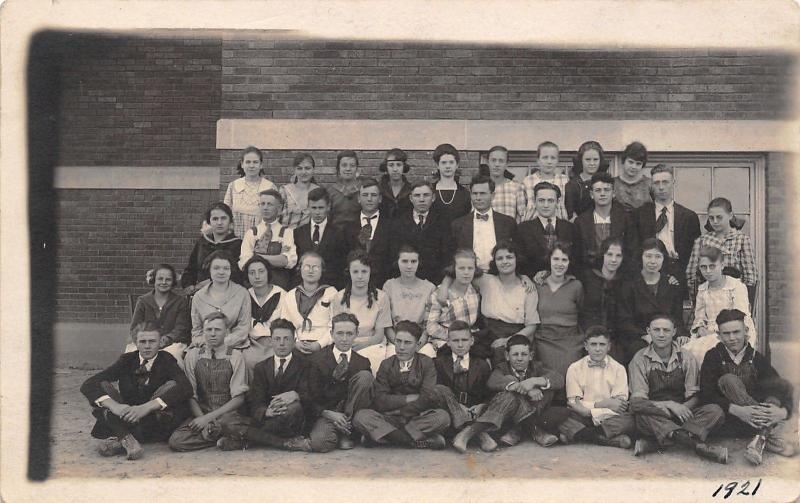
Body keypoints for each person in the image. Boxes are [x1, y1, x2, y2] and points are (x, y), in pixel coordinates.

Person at [81, 321, 192, 460]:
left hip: (156, 420)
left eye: (152, 341)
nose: (147, 346)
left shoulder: (167, 359)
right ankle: (127, 438)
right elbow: (89, 384)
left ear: (160, 342)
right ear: (136, 342)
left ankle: (121, 436)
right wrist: (115, 406)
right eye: (142, 341)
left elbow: (186, 388)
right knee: (102, 387)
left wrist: (146, 408)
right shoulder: (127, 360)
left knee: (172, 385)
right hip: (128, 414)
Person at [698, 309, 795, 465]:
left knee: (774, 395)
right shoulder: (713, 357)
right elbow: (706, 394)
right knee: (728, 380)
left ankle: (759, 440)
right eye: (726, 334)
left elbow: (782, 387)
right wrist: (738, 410)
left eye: (736, 332)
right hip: (730, 419)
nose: (732, 338)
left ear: (746, 331)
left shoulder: (756, 357)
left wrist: (783, 412)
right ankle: (764, 435)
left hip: (752, 421)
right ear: (719, 336)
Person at [628, 313, 728, 463]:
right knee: (641, 415)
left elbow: (695, 396)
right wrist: (669, 406)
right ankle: (697, 445)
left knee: (715, 411)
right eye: (656, 330)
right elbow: (637, 401)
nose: (661, 335)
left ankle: (658, 442)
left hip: (684, 412)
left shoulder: (687, 357)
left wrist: (682, 410)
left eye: (666, 330)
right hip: (656, 412)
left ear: (674, 332)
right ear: (648, 331)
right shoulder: (639, 359)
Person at [453, 334, 567, 450]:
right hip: (506, 414)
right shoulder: (502, 368)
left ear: (531, 356)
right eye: (515, 354)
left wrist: (534, 381)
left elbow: (558, 378)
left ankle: (517, 430)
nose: (519, 358)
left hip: (533, 411)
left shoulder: (537, 367)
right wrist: (523, 388)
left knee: (546, 390)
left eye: (524, 354)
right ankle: (534, 431)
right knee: (509, 395)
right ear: (507, 356)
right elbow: (493, 381)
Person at [217, 318, 313, 452]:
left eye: (286, 339)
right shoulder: (261, 367)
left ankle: (245, 439)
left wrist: (297, 395)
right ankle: (283, 443)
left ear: (294, 342)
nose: (281, 344)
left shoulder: (305, 365)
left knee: (292, 408)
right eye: (277, 339)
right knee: (226, 420)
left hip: (288, 419)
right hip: (266, 418)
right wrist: (265, 412)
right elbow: (255, 399)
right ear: (271, 341)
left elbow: (311, 397)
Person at [353, 321, 451, 449]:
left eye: (407, 343)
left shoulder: (426, 363)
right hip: (389, 417)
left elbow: (427, 397)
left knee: (442, 417)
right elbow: (380, 400)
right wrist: (408, 398)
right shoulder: (386, 364)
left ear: (417, 345)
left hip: (417, 417)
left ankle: (385, 438)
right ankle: (416, 441)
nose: (401, 347)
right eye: (398, 341)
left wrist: (403, 410)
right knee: (361, 417)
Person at [439, 241, 539, 364]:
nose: (505, 261)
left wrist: (507, 340)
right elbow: (459, 272)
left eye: (509, 257)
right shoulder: (485, 280)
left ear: (517, 259)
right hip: (487, 333)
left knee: (500, 357)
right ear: (494, 262)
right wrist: (444, 286)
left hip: (515, 335)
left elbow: (532, 326)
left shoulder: (527, 288)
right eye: (499, 258)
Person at [168, 312, 250, 451]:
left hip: (227, 414)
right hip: (202, 411)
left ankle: (224, 434)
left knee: (228, 425)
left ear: (226, 332)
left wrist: (209, 418)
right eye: (209, 329)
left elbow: (239, 398)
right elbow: (190, 394)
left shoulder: (235, 356)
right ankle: (225, 440)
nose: (213, 334)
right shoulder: (193, 355)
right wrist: (202, 420)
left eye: (217, 330)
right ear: (203, 332)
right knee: (176, 441)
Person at [305, 313, 375, 452]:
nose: (344, 339)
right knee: (319, 444)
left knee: (365, 377)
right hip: (328, 413)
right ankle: (340, 433)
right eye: (340, 333)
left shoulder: (362, 362)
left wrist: (348, 417)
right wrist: (327, 413)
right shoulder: (316, 360)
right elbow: (308, 396)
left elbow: (366, 397)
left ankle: (346, 431)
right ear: (331, 333)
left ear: (356, 334)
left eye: (349, 334)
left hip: (352, 414)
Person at [558, 326, 634, 449]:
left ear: (609, 346)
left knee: (630, 420)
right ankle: (605, 439)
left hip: (609, 417)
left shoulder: (618, 369)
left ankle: (580, 434)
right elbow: (573, 403)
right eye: (593, 344)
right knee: (560, 417)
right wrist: (604, 404)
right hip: (582, 416)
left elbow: (619, 405)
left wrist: (592, 411)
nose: (598, 349)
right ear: (586, 346)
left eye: (602, 344)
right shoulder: (575, 368)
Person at [617, 238, 688, 367]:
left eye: (658, 257)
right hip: (639, 337)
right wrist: (645, 335)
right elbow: (624, 321)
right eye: (648, 256)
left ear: (663, 259)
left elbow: (676, 317)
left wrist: (681, 334)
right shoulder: (629, 285)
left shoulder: (671, 284)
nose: (653, 261)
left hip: (666, 335)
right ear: (641, 257)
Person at [427, 321, 494, 452]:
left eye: (464, 340)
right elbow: (436, 393)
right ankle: (479, 434)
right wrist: (457, 407)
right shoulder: (439, 363)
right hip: (450, 412)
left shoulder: (482, 364)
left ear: (472, 341)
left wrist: (481, 406)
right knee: (440, 389)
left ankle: (466, 431)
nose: (460, 344)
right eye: (455, 340)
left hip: (473, 411)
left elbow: (489, 393)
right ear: (448, 342)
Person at [683, 246, 757, 365]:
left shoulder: (735, 286)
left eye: (712, 266)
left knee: (709, 352)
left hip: (733, 331)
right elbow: (699, 317)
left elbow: (740, 315)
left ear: (722, 265)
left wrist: (718, 332)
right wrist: (700, 328)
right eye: (703, 267)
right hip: (709, 332)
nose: (708, 271)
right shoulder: (703, 289)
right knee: (686, 352)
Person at [633, 163, 701, 292]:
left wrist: (679, 276)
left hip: (678, 276)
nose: (661, 187)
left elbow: (694, 252)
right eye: (657, 183)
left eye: (665, 182)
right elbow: (634, 249)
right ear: (651, 185)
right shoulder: (639, 215)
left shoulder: (689, 217)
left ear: (673, 183)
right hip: (647, 274)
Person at [330, 250, 395, 373]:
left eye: (364, 271)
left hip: (373, 345)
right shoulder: (339, 298)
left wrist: (363, 345)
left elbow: (379, 335)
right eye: (355, 271)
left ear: (370, 272)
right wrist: (349, 345)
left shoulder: (381, 297)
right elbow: (338, 331)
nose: (360, 276)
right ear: (349, 272)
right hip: (346, 344)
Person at [533, 242, 584, 394]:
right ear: (549, 260)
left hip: (569, 338)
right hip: (544, 338)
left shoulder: (576, 285)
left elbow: (582, 311)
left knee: (569, 370)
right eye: (556, 259)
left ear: (569, 263)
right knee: (545, 369)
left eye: (564, 260)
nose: (559, 264)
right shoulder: (537, 283)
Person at [685, 197, 757, 303]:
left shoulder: (741, 240)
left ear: (730, 215)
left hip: (734, 297)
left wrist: (744, 301)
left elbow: (750, 277)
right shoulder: (702, 241)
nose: (715, 221)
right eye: (711, 218)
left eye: (719, 217)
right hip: (708, 298)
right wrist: (696, 300)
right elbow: (691, 274)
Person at [389, 181, 453, 284]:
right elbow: (394, 254)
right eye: (417, 195)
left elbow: (447, 256)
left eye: (426, 195)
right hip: (405, 280)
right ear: (411, 198)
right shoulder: (399, 222)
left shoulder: (443, 222)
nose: (422, 199)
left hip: (434, 280)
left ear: (433, 198)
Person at [451, 174, 517, 272]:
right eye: (475, 193)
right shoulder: (458, 225)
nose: (478, 198)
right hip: (470, 277)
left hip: (500, 276)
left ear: (493, 195)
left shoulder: (508, 223)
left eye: (483, 193)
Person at [574, 172, 638, 273]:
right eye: (598, 190)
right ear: (591, 194)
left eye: (606, 190)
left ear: (613, 193)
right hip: (590, 275)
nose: (602, 194)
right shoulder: (581, 222)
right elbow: (578, 255)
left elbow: (632, 251)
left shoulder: (625, 219)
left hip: (619, 275)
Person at [189, 251, 251, 352]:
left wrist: (222, 344)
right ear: (209, 270)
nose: (221, 272)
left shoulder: (242, 293)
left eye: (226, 268)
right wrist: (208, 344)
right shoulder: (198, 297)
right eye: (216, 268)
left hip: (235, 346)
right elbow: (197, 331)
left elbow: (243, 329)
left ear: (231, 271)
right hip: (204, 346)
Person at [127, 263, 190, 363]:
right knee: (131, 356)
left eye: (168, 279)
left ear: (173, 281)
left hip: (172, 343)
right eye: (160, 279)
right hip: (146, 342)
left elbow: (181, 328)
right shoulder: (143, 301)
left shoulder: (180, 302)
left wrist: (165, 339)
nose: (164, 282)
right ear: (154, 280)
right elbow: (135, 327)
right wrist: (146, 341)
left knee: (172, 356)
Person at [517, 181, 581, 277]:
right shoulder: (523, 229)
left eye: (550, 201)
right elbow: (520, 262)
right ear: (534, 201)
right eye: (541, 200)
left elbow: (577, 259)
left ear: (558, 202)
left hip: (563, 282)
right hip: (533, 283)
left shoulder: (570, 228)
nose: (546, 205)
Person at [382, 245, 437, 357]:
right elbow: (386, 324)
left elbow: (430, 324)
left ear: (418, 263)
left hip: (420, 340)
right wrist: (399, 344)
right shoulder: (389, 286)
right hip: (396, 340)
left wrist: (417, 345)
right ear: (397, 262)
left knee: (428, 355)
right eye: (404, 261)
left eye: (413, 261)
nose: (409, 266)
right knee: (391, 357)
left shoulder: (429, 288)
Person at [425, 249, 482, 355]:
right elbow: (430, 326)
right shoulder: (440, 294)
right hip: (445, 341)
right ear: (453, 270)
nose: (466, 272)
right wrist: (455, 336)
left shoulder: (475, 290)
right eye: (461, 268)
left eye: (470, 268)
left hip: (469, 340)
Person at [238, 189, 298, 290]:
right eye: (262, 204)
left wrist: (257, 257)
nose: (265, 208)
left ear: (279, 208)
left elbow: (287, 261)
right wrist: (275, 259)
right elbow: (244, 262)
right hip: (254, 286)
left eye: (269, 204)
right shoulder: (252, 233)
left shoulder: (286, 232)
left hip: (278, 284)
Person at [280, 252, 338, 355]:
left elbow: (335, 325)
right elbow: (286, 325)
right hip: (297, 345)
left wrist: (320, 344)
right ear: (300, 269)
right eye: (307, 266)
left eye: (315, 267)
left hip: (324, 345)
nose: (311, 270)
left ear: (322, 271)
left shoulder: (331, 293)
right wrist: (295, 342)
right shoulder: (290, 295)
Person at [578, 237, 625, 361]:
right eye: (609, 254)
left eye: (618, 256)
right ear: (603, 255)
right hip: (589, 336)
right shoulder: (588, 278)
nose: (613, 260)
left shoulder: (624, 282)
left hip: (615, 339)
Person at [181, 202, 244, 292]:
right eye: (215, 219)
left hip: (229, 293)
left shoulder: (238, 245)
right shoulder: (202, 242)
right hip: (202, 293)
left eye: (223, 218)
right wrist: (189, 285)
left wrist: (210, 282)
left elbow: (238, 275)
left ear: (230, 221)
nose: (219, 223)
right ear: (209, 221)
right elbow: (191, 268)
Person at [342, 177, 393, 287]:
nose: (369, 199)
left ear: (380, 198)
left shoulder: (391, 226)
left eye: (373, 195)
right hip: (355, 284)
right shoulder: (348, 226)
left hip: (382, 283)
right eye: (365, 195)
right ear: (359, 198)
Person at [293, 187, 347, 289]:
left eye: (321, 208)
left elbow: (341, 264)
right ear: (308, 207)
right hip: (304, 286)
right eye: (314, 208)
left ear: (328, 207)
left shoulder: (339, 233)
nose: (317, 212)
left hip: (330, 286)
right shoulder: (298, 232)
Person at [241, 255, 286, 374]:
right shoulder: (244, 296)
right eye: (252, 272)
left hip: (275, 342)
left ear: (268, 273)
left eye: (261, 271)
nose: (257, 276)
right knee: (246, 360)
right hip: (251, 343)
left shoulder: (281, 294)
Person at [223, 146, 277, 238]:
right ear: (242, 164)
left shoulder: (270, 187)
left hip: (262, 239)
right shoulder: (233, 186)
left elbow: (276, 215)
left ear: (261, 165)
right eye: (248, 162)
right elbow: (225, 212)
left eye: (255, 162)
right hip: (236, 239)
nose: (251, 166)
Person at [522, 141, 569, 221]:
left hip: (559, 224)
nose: (549, 162)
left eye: (553, 158)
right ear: (538, 160)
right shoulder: (528, 181)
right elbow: (523, 208)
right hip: (533, 224)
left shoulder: (564, 180)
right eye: (545, 157)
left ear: (558, 160)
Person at [564, 140, 609, 221]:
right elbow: (570, 212)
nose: (592, 163)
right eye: (588, 159)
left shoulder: (606, 182)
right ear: (581, 160)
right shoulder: (572, 185)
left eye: (595, 159)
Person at [430, 143, 471, 226]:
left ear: (457, 165)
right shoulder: (430, 191)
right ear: (437, 165)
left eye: (451, 162)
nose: (448, 166)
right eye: (444, 163)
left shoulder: (465, 193)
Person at [278, 152, 321, 229]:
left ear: (313, 169)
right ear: (294, 170)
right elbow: (276, 217)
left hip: (308, 238)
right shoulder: (285, 191)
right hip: (285, 237)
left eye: (307, 168)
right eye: (299, 168)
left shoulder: (318, 191)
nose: (303, 172)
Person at [486, 145, 526, 222]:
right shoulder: (481, 187)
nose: (497, 164)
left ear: (507, 164)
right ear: (488, 162)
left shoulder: (516, 187)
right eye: (493, 160)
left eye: (501, 161)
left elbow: (522, 217)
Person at [328, 150, 362, 230]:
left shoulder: (364, 189)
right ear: (338, 168)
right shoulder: (330, 191)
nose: (348, 169)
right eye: (344, 165)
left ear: (357, 168)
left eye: (352, 165)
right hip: (336, 235)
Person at [614, 141, 651, 211]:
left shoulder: (650, 185)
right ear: (624, 161)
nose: (634, 167)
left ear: (642, 165)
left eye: (638, 164)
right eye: (630, 162)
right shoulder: (612, 184)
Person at [378, 148, 413, 220]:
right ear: (386, 167)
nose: (395, 169)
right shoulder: (379, 188)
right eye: (391, 165)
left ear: (404, 167)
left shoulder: (410, 189)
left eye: (399, 165)